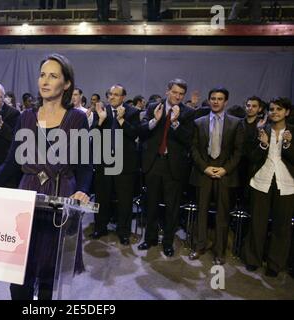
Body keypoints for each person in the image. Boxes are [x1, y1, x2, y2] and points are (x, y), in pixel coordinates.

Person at [0, 53, 92, 300]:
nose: (44, 80)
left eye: (53, 76)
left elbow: (85, 165)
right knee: (18, 281)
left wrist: (83, 189)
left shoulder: (77, 119)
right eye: (42, 74)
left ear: (66, 84)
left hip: (60, 197)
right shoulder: (26, 117)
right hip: (26, 198)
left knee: (47, 279)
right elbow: (12, 164)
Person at [138, 79, 194, 257]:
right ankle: (150, 238)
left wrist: (176, 122)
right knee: (151, 204)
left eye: (181, 94)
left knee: (172, 208)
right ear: (167, 91)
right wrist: (155, 119)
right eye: (175, 92)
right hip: (154, 162)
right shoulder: (154, 106)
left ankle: (168, 242)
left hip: (174, 166)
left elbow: (189, 139)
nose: (178, 96)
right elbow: (142, 130)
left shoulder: (188, 112)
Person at [189, 87, 244, 265]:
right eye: (213, 98)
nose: (215, 101)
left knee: (222, 215)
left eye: (220, 99)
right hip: (203, 172)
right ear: (209, 99)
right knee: (201, 212)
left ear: (225, 102)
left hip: (225, 174)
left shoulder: (236, 123)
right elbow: (194, 149)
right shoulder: (199, 122)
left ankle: (220, 252)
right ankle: (199, 246)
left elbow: (238, 152)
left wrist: (225, 169)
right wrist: (205, 167)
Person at [243, 97, 294, 277]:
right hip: (261, 181)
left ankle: (274, 264)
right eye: (272, 109)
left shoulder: (293, 132)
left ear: (286, 112)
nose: (275, 112)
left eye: (279, 109)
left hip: (286, 183)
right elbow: (251, 158)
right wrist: (263, 144)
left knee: (282, 226)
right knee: (257, 223)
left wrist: (288, 144)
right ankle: (253, 259)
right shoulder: (260, 130)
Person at [91, 84, 140, 245]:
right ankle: (100, 227)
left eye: (116, 94)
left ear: (123, 97)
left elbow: (134, 134)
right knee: (101, 197)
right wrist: (101, 120)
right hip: (104, 162)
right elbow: (92, 135)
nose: (111, 97)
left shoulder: (132, 112)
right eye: (110, 94)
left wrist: (121, 120)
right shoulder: (101, 111)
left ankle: (123, 231)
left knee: (125, 200)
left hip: (124, 164)